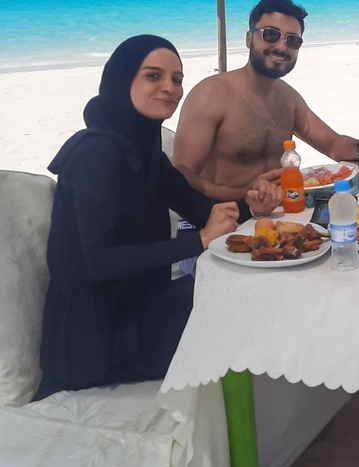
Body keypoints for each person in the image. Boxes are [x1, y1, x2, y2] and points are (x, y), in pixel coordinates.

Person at [32, 35, 281, 401]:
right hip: (92, 339)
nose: (170, 88)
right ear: (123, 80)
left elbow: (199, 211)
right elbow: (98, 261)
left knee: (249, 290)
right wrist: (196, 241)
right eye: (153, 76)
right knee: (238, 317)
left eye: (177, 79)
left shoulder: (144, 150)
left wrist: (252, 208)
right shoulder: (95, 154)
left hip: (141, 308)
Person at [172, 0, 359, 201]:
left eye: (293, 41)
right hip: (225, 218)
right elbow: (181, 174)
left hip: (280, 211)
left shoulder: (288, 98)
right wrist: (243, 195)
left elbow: (332, 144)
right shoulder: (210, 94)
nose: (281, 46)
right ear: (249, 38)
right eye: (270, 35)